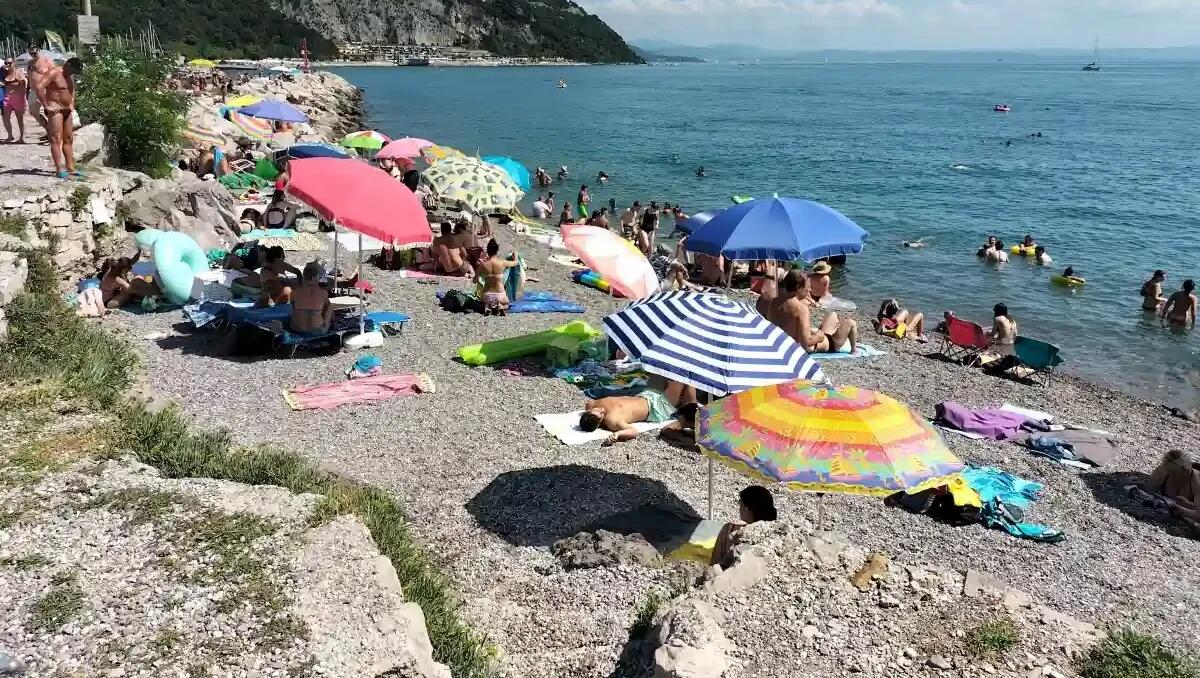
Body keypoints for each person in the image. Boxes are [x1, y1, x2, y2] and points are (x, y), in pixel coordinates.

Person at [578, 381, 697, 445]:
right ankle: (690, 410)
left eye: (597, 411)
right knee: (681, 376)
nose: (602, 410)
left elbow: (589, 403)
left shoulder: (590, 404)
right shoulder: (612, 420)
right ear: (600, 422)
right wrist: (618, 435)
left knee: (680, 379)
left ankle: (689, 408)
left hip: (646, 396)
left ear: (588, 411)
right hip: (656, 407)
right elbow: (633, 431)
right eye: (601, 416)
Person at [769, 270, 857, 354]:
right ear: (798, 287)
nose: (810, 290)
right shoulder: (801, 309)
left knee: (833, 315)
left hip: (782, 344)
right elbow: (806, 343)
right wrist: (819, 338)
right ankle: (854, 350)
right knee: (851, 323)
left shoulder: (774, 302)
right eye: (808, 287)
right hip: (829, 345)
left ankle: (832, 331)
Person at [35, 57, 83, 179]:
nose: (73, 73)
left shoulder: (69, 76)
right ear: (68, 64)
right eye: (73, 70)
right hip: (55, 109)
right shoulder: (54, 73)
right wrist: (46, 106)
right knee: (56, 138)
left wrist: (72, 103)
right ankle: (59, 169)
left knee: (68, 139)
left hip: (67, 110)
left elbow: (71, 90)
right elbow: (39, 87)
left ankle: (70, 168)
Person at [710, 486, 777, 567]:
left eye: (740, 503)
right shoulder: (779, 534)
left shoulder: (730, 529)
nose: (739, 508)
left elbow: (714, 563)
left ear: (747, 508)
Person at [474, 239, 520, 316]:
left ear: (488, 251)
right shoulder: (502, 262)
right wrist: (516, 254)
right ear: (497, 251)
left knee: (484, 301)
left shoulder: (482, 265)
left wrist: (479, 273)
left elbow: (475, 281)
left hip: (487, 295)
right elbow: (516, 263)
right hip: (500, 295)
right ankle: (501, 306)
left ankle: (487, 306)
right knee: (507, 305)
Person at [290, 261, 333, 335]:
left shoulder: (295, 291)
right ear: (314, 277)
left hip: (296, 330)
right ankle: (325, 325)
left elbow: (293, 307)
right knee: (330, 306)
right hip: (315, 331)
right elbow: (327, 309)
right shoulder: (323, 293)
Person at [2, 56, 27, 143]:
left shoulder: (19, 72)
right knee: (5, 117)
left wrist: (22, 82)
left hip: (18, 98)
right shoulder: (4, 73)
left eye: (10, 63)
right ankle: (10, 135)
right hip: (7, 98)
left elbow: (24, 83)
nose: (8, 64)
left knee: (19, 119)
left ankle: (21, 137)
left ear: (14, 63)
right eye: (6, 63)